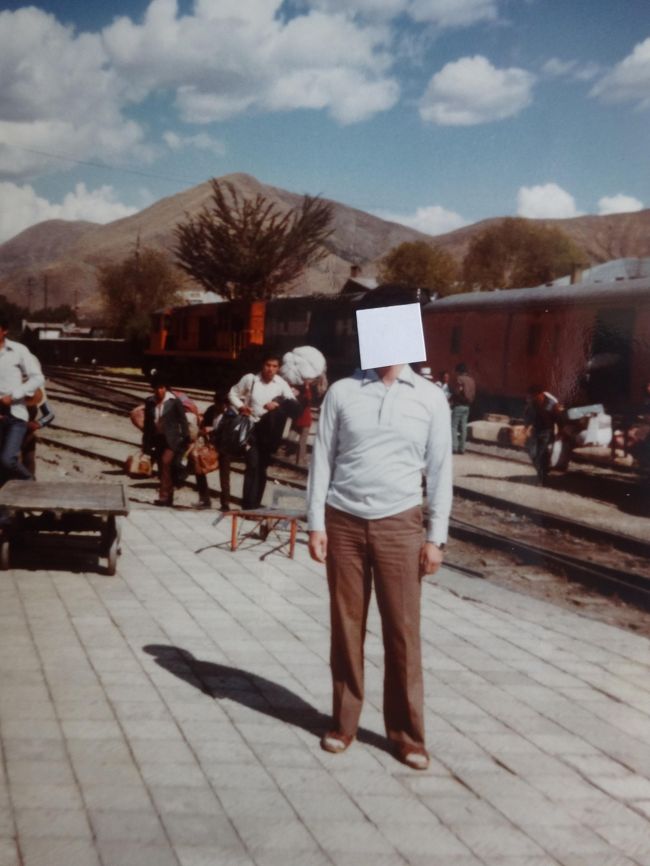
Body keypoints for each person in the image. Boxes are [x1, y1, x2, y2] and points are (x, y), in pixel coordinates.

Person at [307, 362, 452, 771]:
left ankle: (407, 735)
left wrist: (435, 537)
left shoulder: (430, 397)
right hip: (344, 521)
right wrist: (316, 523)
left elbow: (440, 469)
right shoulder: (342, 392)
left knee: (403, 631)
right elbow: (322, 458)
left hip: (401, 524)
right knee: (346, 626)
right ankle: (343, 724)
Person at [228, 353, 298, 510]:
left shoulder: (281, 383)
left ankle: (256, 504)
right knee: (252, 465)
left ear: (278, 368)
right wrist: (241, 406)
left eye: (274, 366)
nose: (270, 369)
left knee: (262, 467)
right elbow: (232, 393)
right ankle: (247, 505)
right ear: (262, 365)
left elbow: (292, 402)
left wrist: (278, 402)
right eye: (268, 365)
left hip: (269, 432)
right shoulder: (251, 379)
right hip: (252, 428)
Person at [0, 319, 45, 483]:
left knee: (7, 460)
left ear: (4, 330)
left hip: (15, 416)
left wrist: (14, 395)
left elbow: (37, 378)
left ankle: (30, 484)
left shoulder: (18, 350)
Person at [142, 374, 191, 506]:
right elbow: (147, 424)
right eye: (157, 388)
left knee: (165, 462)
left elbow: (183, 421)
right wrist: (145, 445)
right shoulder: (150, 402)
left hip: (172, 440)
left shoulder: (174, 402)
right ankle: (169, 497)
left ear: (166, 388)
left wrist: (186, 438)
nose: (159, 391)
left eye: (162, 388)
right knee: (162, 467)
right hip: (158, 439)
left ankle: (163, 496)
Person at [524, 384, 562, 484]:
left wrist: (560, 432)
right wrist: (527, 427)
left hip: (547, 432)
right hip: (535, 430)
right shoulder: (532, 403)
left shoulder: (551, 404)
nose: (531, 398)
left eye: (533, 396)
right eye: (531, 396)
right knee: (533, 453)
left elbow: (559, 419)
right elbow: (528, 415)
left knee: (542, 454)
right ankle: (543, 471)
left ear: (540, 394)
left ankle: (542, 478)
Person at [450, 362, 475, 454]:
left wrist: (452, 398)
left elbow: (457, 392)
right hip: (467, 406)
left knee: (453, 426)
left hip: (459, 405)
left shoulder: (459, 379)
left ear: (459, 371)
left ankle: (454, 447)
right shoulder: (471, 380)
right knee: (464, 427)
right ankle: (462, 448)